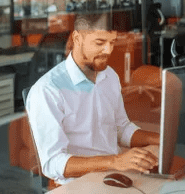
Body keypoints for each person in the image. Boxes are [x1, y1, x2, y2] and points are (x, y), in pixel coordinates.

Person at [26, 12, 159, 186]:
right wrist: (116, 161)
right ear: (77, 38)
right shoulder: (47, 90)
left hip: (115, 175)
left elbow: (122, 128)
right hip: (77, 184)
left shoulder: (109, 76)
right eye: (100, 42)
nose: (108, 50)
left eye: (112, 42)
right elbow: (52, 163)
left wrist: (158, 139)